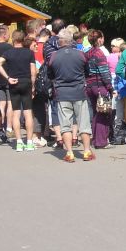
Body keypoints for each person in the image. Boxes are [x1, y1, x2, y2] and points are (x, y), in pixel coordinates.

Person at [49, 30, 93, 162]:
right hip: (79, 92)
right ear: (71, 41)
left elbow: (50, 75)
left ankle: (69, 153)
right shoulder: (81, 54)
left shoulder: (54, 56)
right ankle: (86, 151)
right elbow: (88, 72)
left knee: (65, 126)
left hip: (62, 93)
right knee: (84, 124)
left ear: (60, 41)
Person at [0, 30, 37, 151]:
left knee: (16, 112)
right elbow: (33, 71)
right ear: (23, 39)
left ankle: (19, 142)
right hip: (26, 82)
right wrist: (33, 85)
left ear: (13, 39)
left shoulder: (8, 52)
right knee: (28, 113)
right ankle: (29, 142)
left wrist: (7, 77)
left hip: (13, 83)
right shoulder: (29, 53)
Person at [85, 30, 114, 149]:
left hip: (89, 85)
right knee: (104, 113)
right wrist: (110, 87)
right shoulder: (99, 53)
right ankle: (101, 142)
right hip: (100, 86)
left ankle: (95, 139)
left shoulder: (86, 53)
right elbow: (104, 72)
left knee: (95, 113)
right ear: (99, 39)